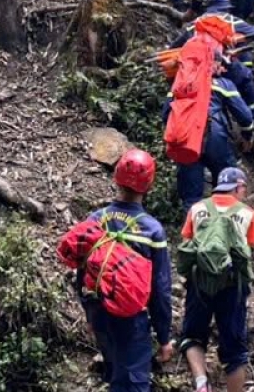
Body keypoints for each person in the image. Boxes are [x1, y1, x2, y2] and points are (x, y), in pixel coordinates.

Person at [76, 149, 176, 392]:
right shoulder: (152, 230)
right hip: (131, 319)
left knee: (115, 372)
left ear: (116, 179)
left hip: (99, 311)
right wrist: (164, 337)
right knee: (133, 382)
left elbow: (82, 271)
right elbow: (160, 289)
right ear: (149, 186)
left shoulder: (95, 219)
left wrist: (89, 315)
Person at [177, 167, 254, 392]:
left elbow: (187, 241)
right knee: (235, 350)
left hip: (199, 282)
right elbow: (250, 247)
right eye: (244, 188)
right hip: (233, 286)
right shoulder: (248, 213)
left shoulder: (197, 208)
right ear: (238, 187)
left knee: (193, 336)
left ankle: (201, 384)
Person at [164, 55, 254, 212]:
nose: (224, 69)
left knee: (191, 199)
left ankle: (193, 224)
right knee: (227, 189)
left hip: (186, 140)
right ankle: (226, 220)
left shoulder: (179, 84)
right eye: (221, 65)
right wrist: (247, 136)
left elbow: (166, 115)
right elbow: (245, 116)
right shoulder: (223, 84)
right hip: (215, 138)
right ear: (213, 64)